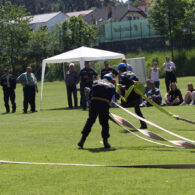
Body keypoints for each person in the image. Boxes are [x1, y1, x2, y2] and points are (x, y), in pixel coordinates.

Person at [78, 74, 116, 149]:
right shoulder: (112, 85)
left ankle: (82, 140)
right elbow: (115, 97)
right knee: (104, 123)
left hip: (94, 102)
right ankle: (105, 142)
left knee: (90, 121)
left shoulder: (96, 82)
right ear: (110, 80)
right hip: (104, 104)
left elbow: (90, 94)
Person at [118, 63, 147, 129]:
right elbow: (137, 81)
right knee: (137, 110)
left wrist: (122, 88)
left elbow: (122, 86)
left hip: (131, 95)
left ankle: (144, 124)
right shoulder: (132, 73)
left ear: (120, 69)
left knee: (124, 104)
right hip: (137, 93)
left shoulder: (122, 75)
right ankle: (144, 124)